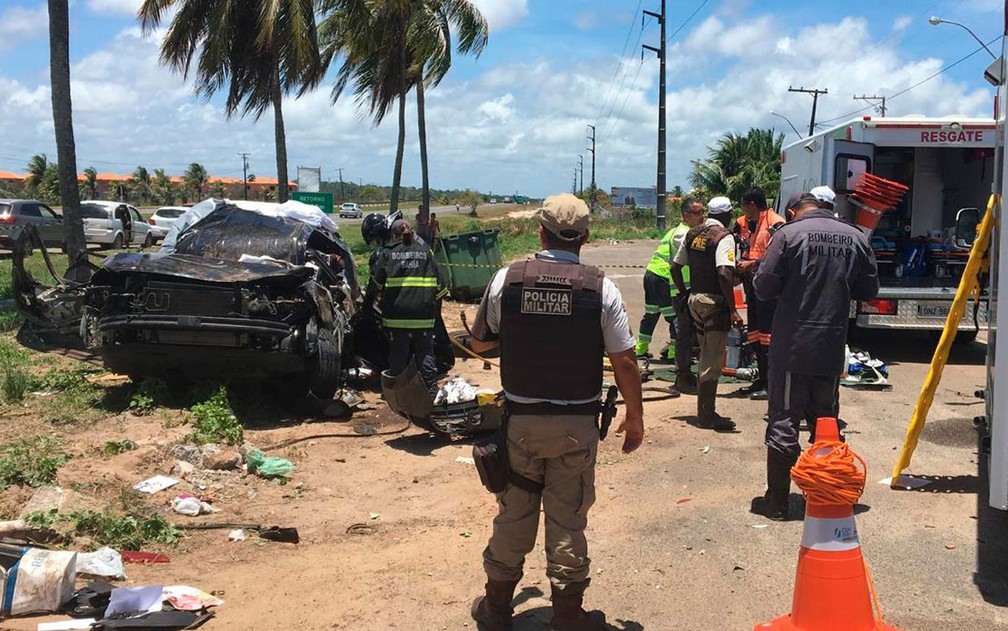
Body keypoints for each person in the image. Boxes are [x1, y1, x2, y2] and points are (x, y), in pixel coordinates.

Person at [467, 193, 644, 631]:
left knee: (515, 513)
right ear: (585, 237)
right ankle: (567, 615)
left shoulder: (508, 278)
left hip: (521, 422)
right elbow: (624, 360)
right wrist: (635, 417)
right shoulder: (600, 287)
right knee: (567, 517)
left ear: (540, 231)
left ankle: (495, 609)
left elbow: (480, 342)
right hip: (575, 425)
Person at [750, 189, 879, 521]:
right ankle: (825, 495)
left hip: (793, 345)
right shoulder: (855, 237)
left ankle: (777, 501)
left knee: (784, 419)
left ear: (792, 211)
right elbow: (869, 290)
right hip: (832, 344)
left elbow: (762, 287)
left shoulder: (788, 235)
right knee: (825, 421)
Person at [671, 196, 741, 431]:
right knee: (712, 359)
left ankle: (705, 411)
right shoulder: (724, 237)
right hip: (714, 303)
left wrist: (683, 293)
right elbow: (723, 273)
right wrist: (733, 309)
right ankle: (706, 415)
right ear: (728, 215)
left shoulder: (693, 234)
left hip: (695, 301)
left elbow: (675, 266)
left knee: (704, 354)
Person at [371, 219, 449, 386]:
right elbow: (441, 287)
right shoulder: (426, 252)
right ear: (412, 233)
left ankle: (398, 391)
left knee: (398, 353)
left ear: (393, 234)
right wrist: (434, 314)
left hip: (397, 317)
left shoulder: (387, 253)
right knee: (425, 353)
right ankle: (430, 390)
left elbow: (376, 284)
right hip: (423, 317)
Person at [734, 188, 786, 401]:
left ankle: (769, 383)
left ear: (752, 205)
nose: (743, 212)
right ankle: (761, 378)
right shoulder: (746, 222)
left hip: (768, 287)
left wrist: (751, 264)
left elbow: (780, 258)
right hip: (753, 284)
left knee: (767, 336)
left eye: (744, 206)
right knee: (755, 333)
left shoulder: (776, 223)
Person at [634, 210, 690, 366]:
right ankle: (674, 353)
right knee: (675, 317)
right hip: (664, 277)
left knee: (651, 314)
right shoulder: (685, 233)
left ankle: (640, 349)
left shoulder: (673, 231)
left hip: (651, 274)